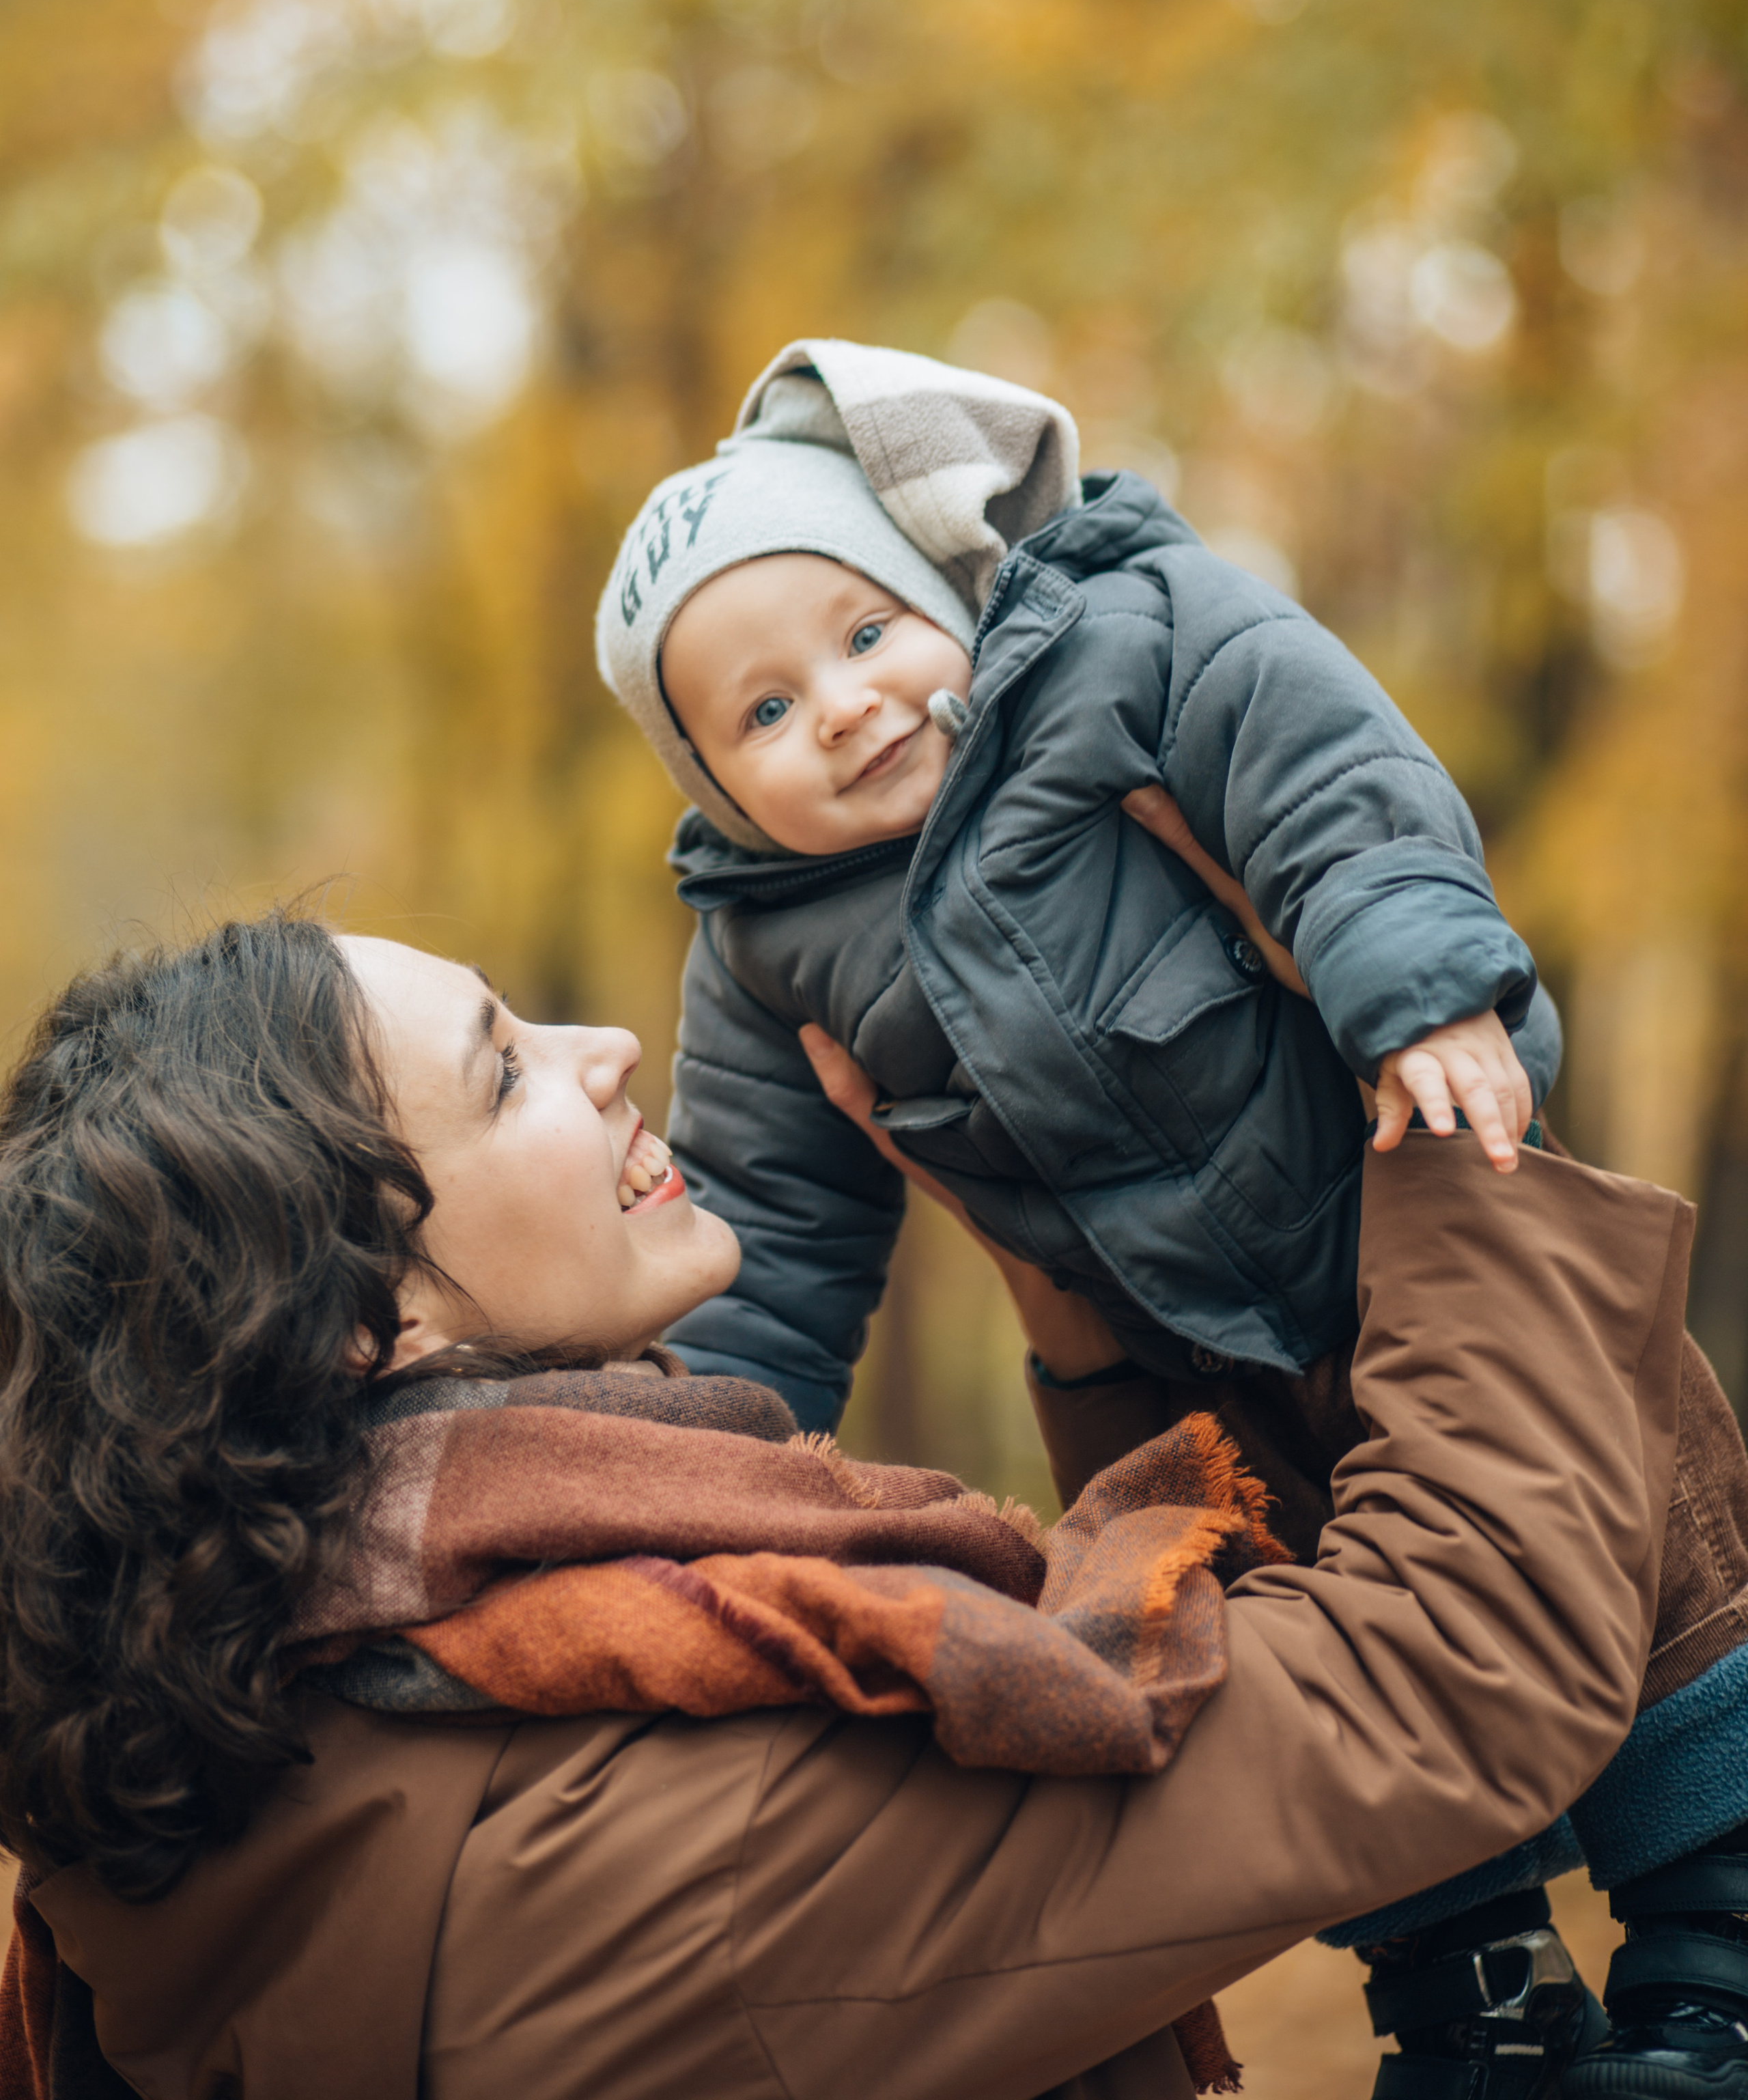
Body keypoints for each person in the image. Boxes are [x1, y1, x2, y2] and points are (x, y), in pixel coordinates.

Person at [594, 337, 1748, 2099]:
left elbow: (1323, 777)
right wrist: (698, 1468)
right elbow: (765, 1220)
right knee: (1306, 1653)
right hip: (1183, 1359)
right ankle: (1476, 2005)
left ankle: (1715, 1967)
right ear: (711, 787)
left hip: (1419, 1196)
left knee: (1654, 1551)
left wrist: (1412, 984)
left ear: (944, 589)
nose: (837, 706)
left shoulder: (1118, 643)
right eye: (757, 714)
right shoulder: (761, 949)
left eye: (863, 632)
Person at [0, 911, 1704, 2100]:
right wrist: (1442, 1113)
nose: (604, 1051)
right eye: (504, 1071)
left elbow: (1092, 1653)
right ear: (377, 1319)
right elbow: (1449, 1678)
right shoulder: (639, 1847)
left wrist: (1066, 1288)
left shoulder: (341, 1702)